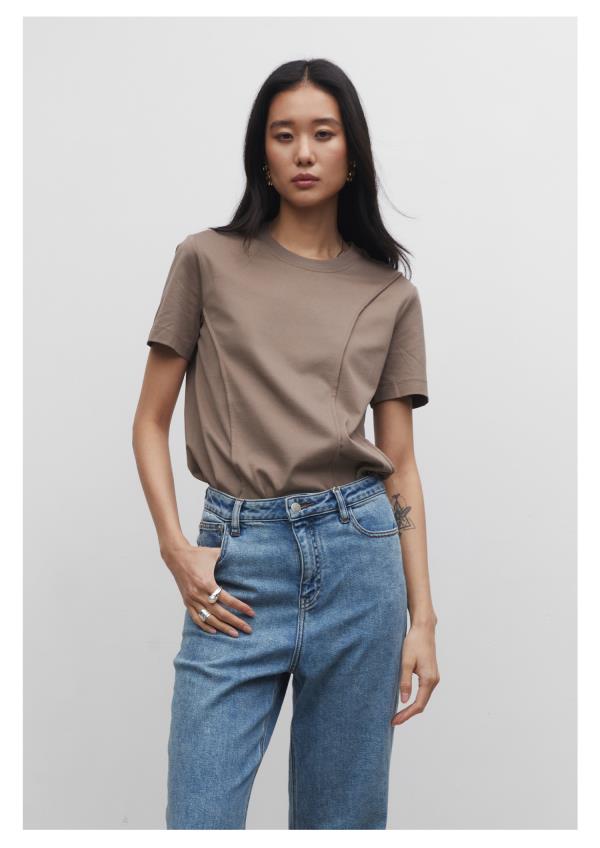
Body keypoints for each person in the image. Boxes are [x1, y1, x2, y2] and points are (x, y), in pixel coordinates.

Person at [132, 58, 440, 830]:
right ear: (262, 154)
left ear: (351, 153)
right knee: (198, 820)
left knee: (340, 827)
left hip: (360, 562)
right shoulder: (206, 259)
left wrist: (423, 619)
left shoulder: (390, 293)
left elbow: (400, 463)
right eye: (284, 135)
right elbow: (149, 420)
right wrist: (175, 547)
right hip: (238, 563)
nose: (304, 152)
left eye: (323, 134)